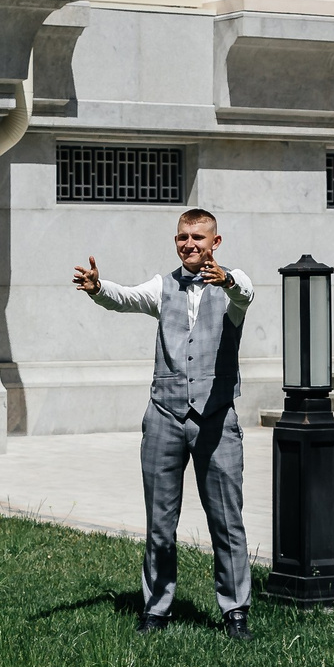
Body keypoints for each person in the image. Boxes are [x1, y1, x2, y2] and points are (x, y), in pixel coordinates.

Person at [72, 208, 256, 639]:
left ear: (216, 242)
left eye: (198, 237)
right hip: (164, 415)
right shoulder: (163, 285)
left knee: (227, 521)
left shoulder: (232, 287)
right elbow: (127, 297)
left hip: (216, 418)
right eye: (182, 238)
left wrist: (226, 279)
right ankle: (155, 609)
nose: (189, 244)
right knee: (160, 520)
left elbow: (245, 293)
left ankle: (235, 613)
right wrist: (99, 289)